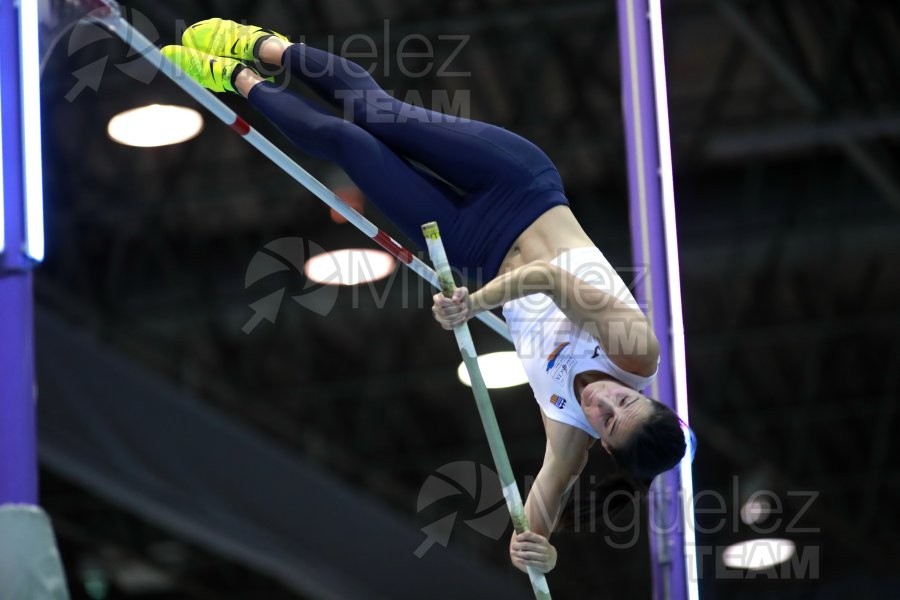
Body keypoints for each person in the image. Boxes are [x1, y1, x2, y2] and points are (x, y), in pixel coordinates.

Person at [161, 19, 687, 575]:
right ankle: (260, 45)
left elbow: (534, 519)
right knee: (372, 112)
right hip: (520, 187)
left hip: (469, 247)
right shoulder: (636, 353)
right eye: (625, 401)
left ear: (603, 444)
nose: (604, 403)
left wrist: (539, 551)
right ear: (647, 395)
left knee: (347, 145)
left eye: (606, 420)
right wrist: (474, 305)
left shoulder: (568, 433)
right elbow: (547, 278)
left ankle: (235, 76)